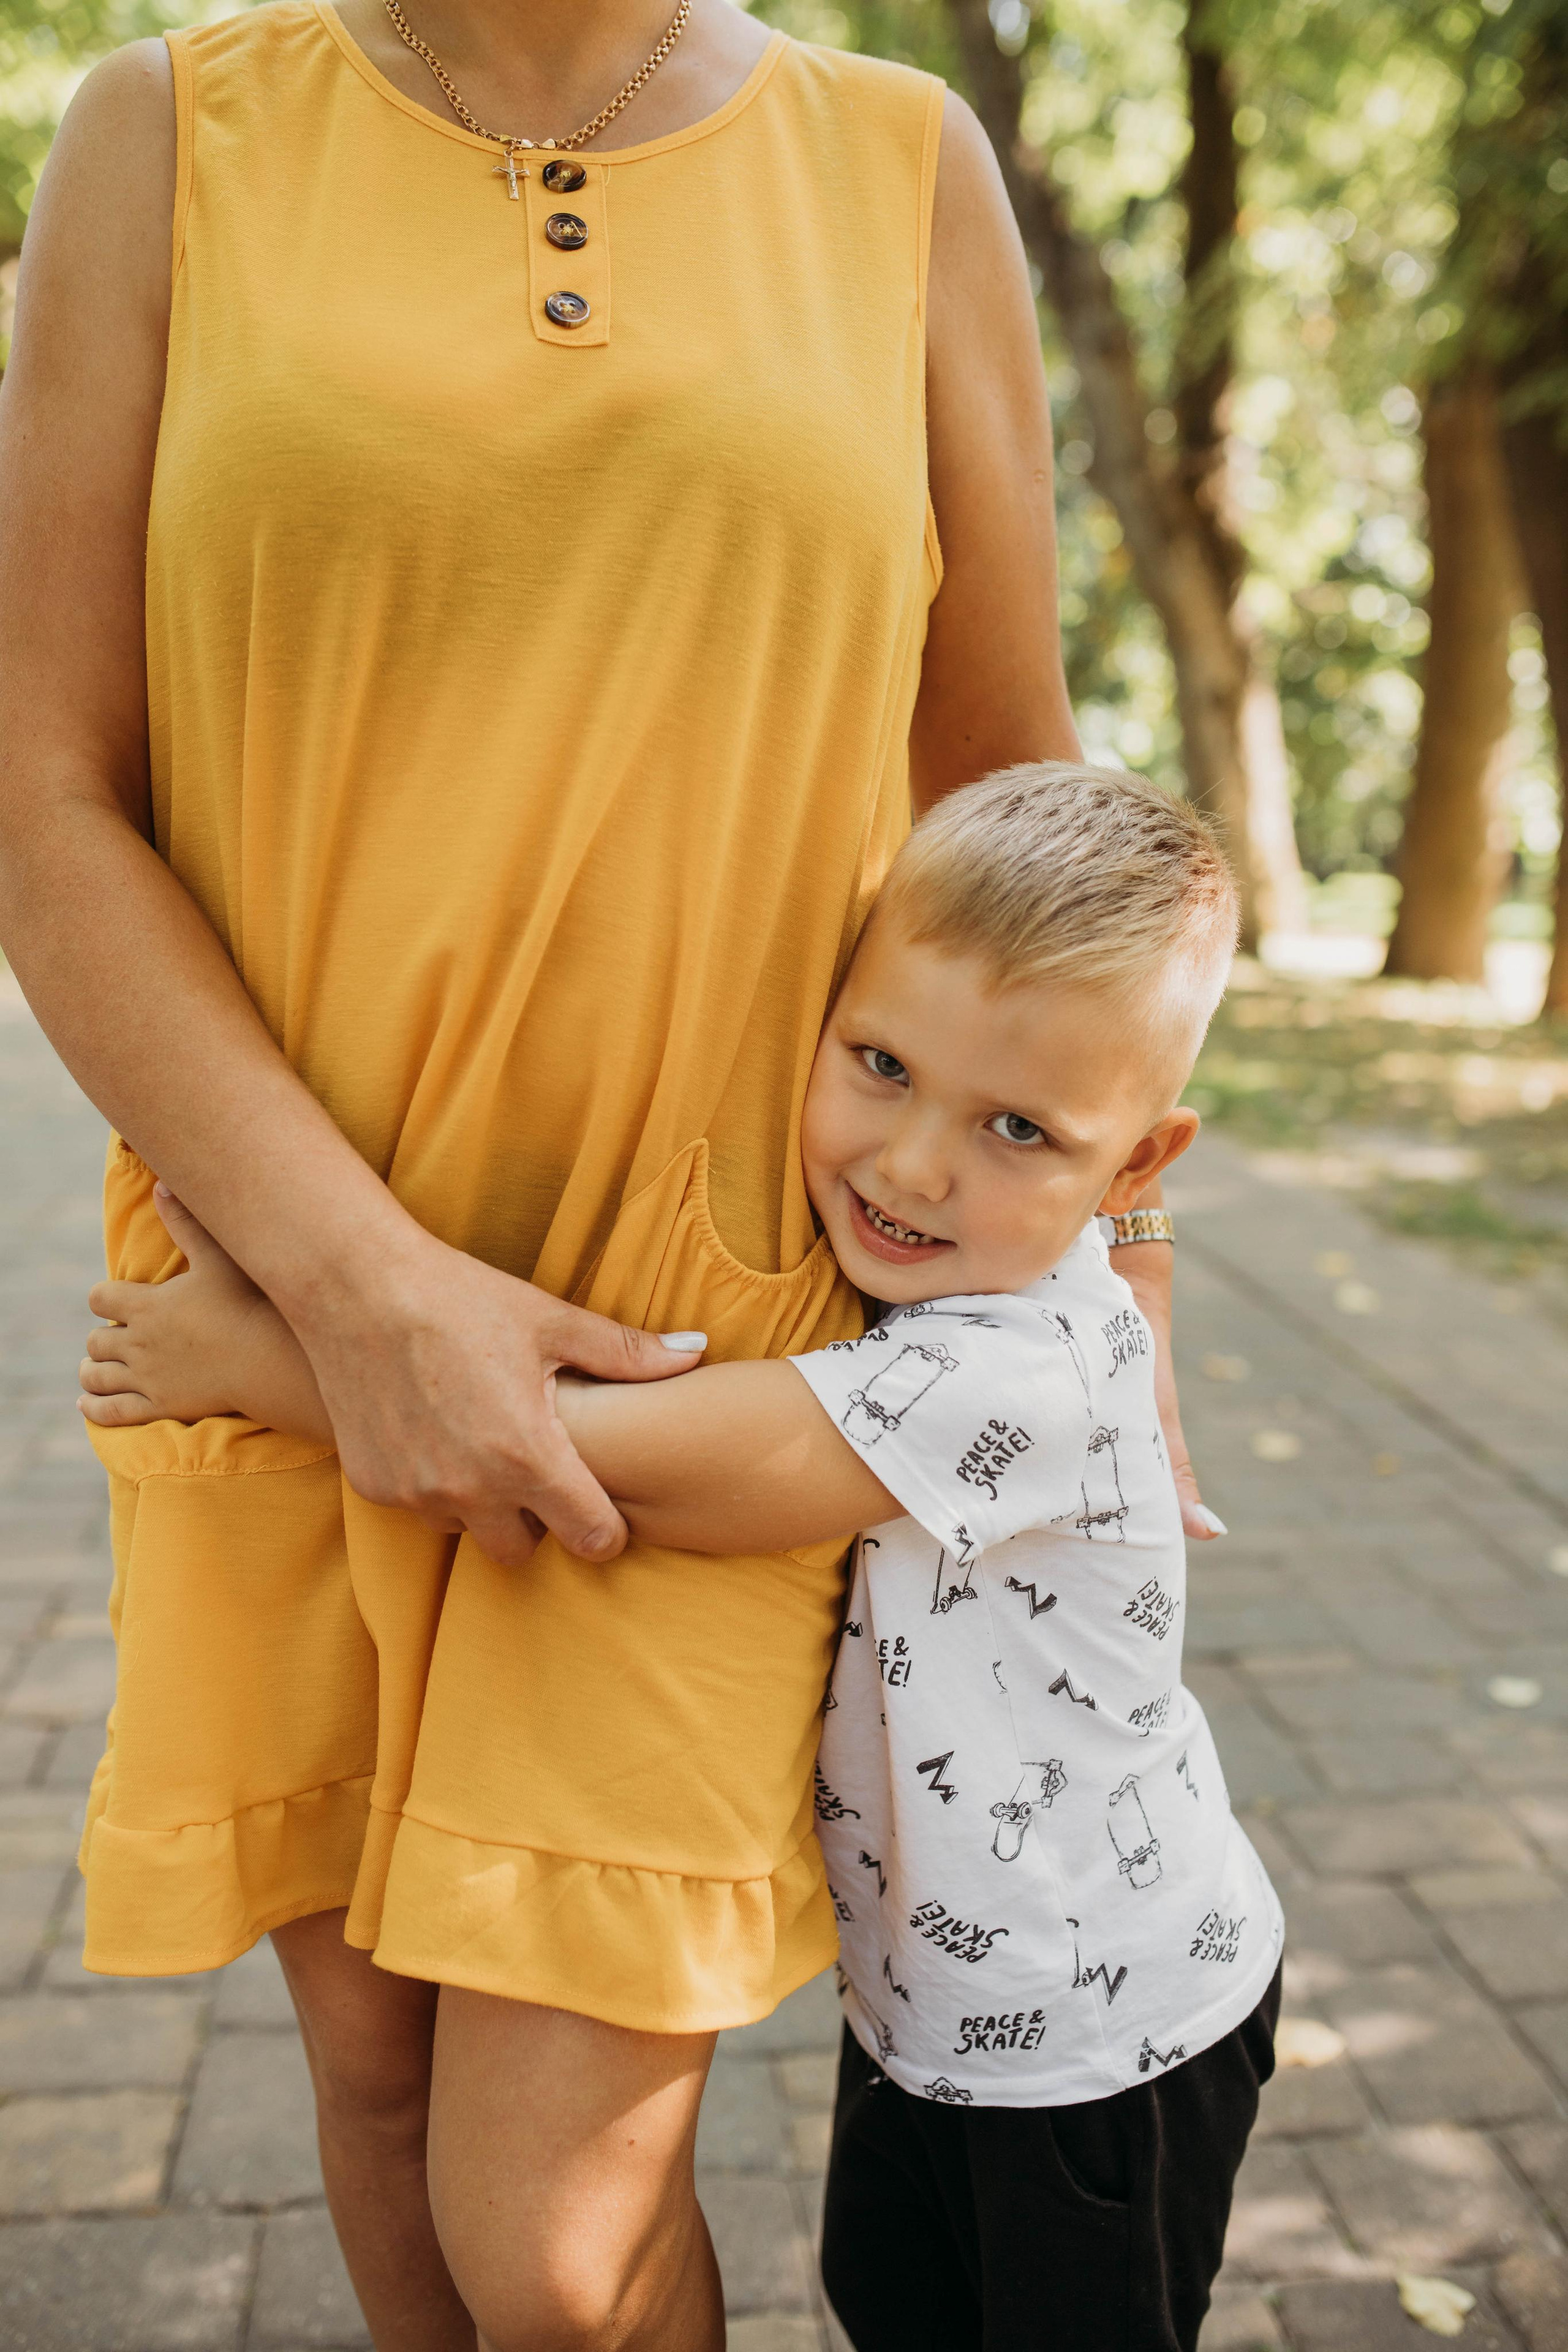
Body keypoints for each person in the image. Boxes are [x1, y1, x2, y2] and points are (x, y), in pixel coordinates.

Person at [0, 0, 1216, 2337]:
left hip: (710, 1343)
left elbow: (1007, 780)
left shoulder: (902, 157)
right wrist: (357, 1303)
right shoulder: (162, 134)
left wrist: (1123, 1259)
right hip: (275, 1300)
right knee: (370, 2090)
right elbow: (50, 791)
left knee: (551, 2248)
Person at [81, 761, 1278, 2352]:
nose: (914, 1166)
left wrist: (251, 1357)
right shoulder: (927, 1277)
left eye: (1017, 1129)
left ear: (1135, 1173)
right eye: (878, 1064)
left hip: (1103, 2046)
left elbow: (605, 1464)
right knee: (899, 2306)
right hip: (937, 2019)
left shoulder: (1023, 1370)